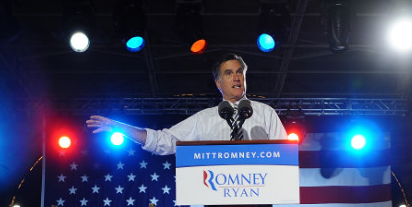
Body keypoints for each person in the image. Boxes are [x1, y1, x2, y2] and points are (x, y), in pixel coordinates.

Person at [85, 52, 287, 155]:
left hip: (261, 203)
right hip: (216, 202)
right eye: (229, 73)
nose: (236, 77)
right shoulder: (204, 119)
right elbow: (165, 141)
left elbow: (286, 156)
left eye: (239, 72)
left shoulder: (266, 114)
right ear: (218, 83)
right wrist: (118, 127)